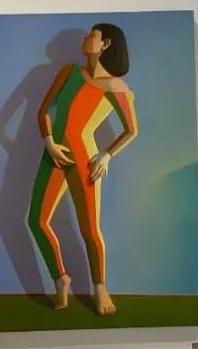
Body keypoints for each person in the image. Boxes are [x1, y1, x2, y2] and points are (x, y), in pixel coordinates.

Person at [27, 23, 139, 316]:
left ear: (106, 44)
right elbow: (45, 111)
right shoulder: (69, 72)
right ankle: (60, 278)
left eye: (93, 35)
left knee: (89, 229)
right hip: (55, 154)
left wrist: (107, 155)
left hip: (85, 158)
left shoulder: (116, 87)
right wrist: (49, 142)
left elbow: (131, 130)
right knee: (36, 221)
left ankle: (100, 288)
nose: (86, 39)